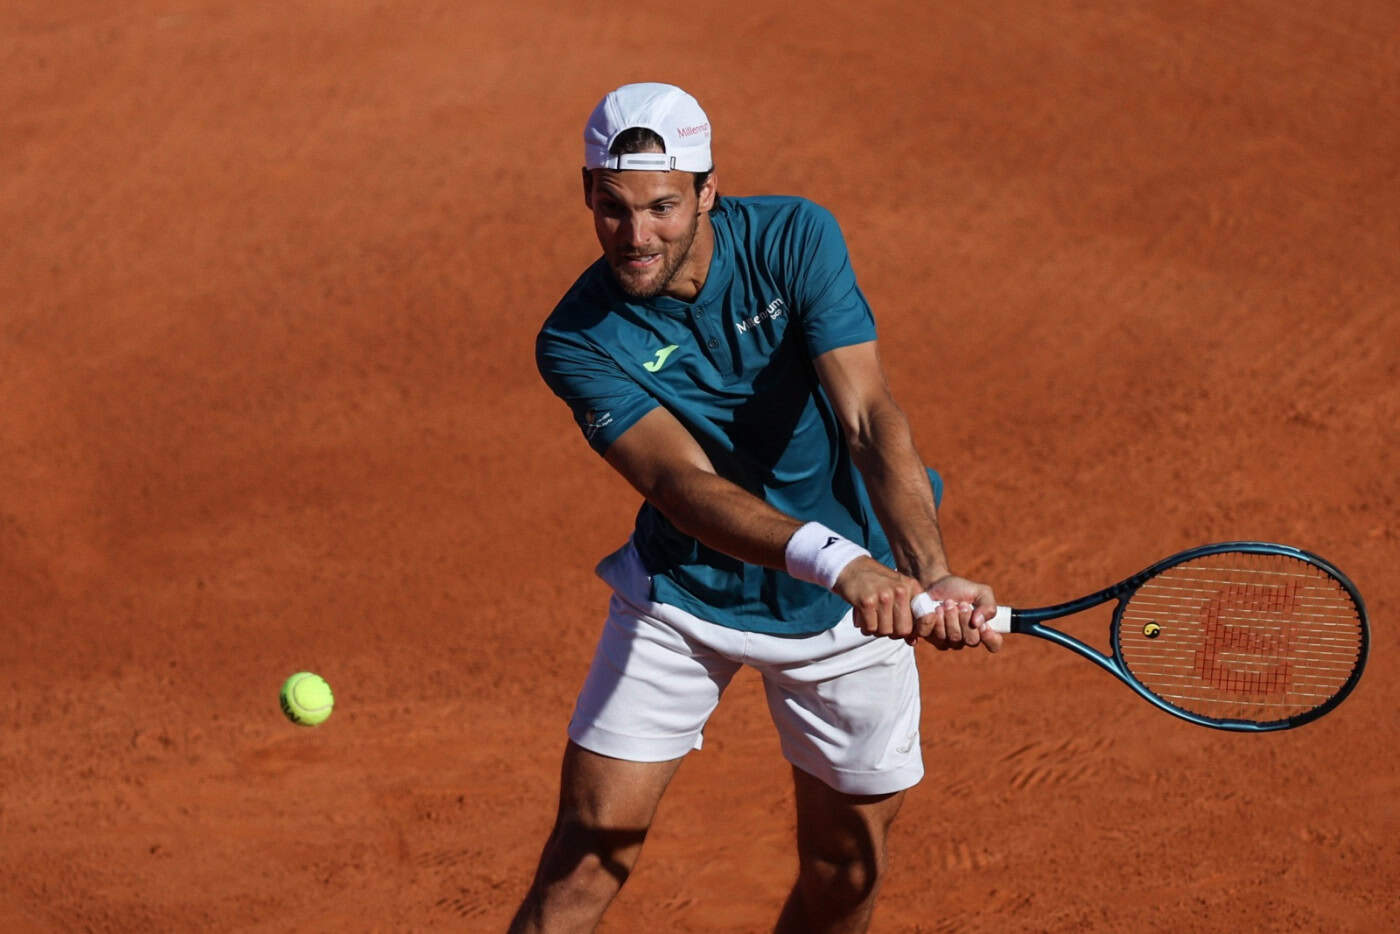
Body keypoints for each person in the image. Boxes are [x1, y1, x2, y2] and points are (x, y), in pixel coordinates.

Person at [510, 82, 1002, 934]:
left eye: (663, 206)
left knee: (844, 873)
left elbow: (867, 415)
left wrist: (930, 571)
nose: (637, 235)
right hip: (685, 599)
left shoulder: (795, 237)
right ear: (587, 194)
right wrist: (842, 561)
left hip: (853, 612)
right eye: (613, 208)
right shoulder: (577, 338)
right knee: (587, 858)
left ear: (708, 191)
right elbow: (683, 489)